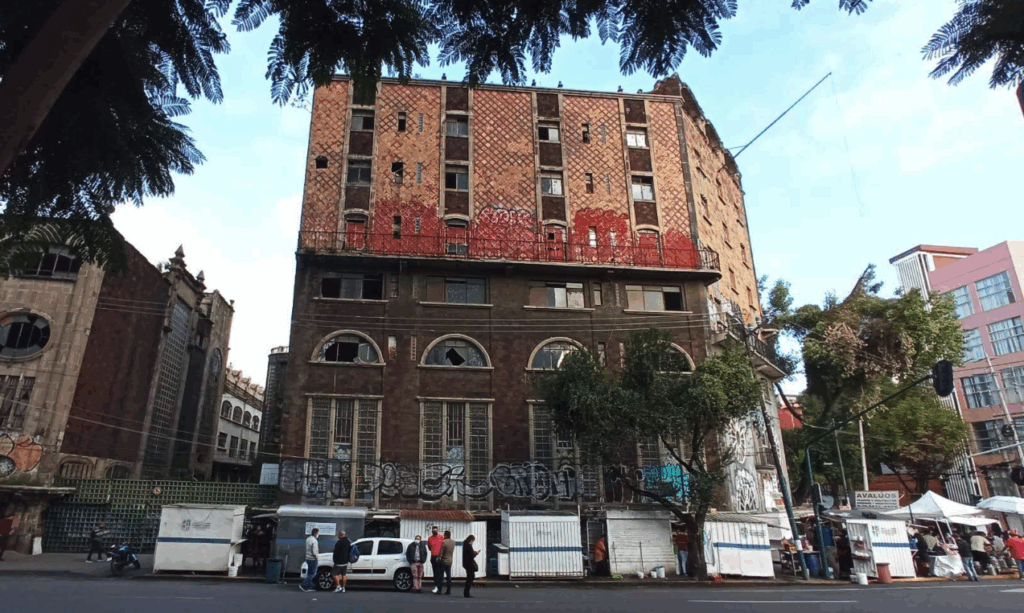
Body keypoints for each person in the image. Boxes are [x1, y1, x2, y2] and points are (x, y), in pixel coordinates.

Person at [300, 527, 320, 592]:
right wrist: (315, 556)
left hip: (308, 558)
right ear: (315, 533)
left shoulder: (308, 539)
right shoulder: (314, 540)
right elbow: (314, 549)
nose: (318, 534)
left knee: (309, 573)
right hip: (312, 558)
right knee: (312, 573)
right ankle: (304, 585)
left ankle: (309, 585)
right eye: (318, 533)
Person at [428, 526, 444, 594]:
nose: (434, 532)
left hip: (440, 557)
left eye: (435, 531)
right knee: (435, 572)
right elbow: (429, 547)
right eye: (433, 531)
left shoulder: (442, 537)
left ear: (437, 531)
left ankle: (439, 586)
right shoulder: (430, 538)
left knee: (440, 572)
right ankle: (436, 586)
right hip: (433, 556)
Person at [439, 530, 456, 596]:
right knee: (448, 576)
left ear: (445, 535)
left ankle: (440, 590)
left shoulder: (444, 542)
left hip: (443, 560)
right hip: (450, 560)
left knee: (441, 576)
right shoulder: (453, 542)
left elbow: (441, 552)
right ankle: (448, 590)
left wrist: (439, 558)